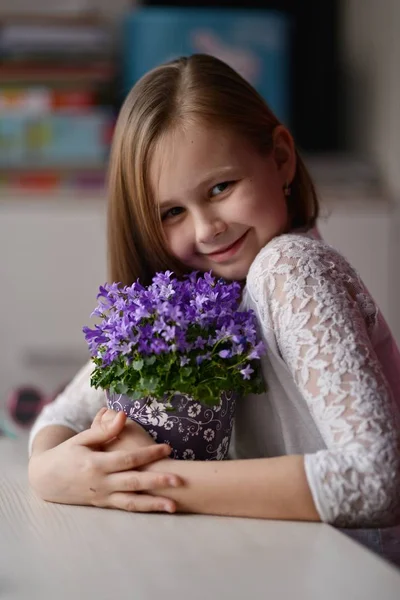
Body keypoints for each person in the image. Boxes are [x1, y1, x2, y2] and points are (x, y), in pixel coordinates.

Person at [28, 54, 400, 565]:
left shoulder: (288, 268)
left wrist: (147, 482)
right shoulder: (197, 300)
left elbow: (376, 477)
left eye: (221, 188)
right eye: (173, 212)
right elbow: (62, 416)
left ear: (282, 158)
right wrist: (48, 471)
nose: (206, 230)